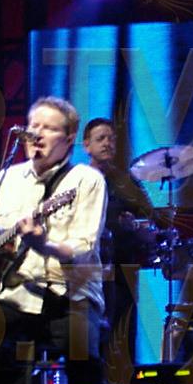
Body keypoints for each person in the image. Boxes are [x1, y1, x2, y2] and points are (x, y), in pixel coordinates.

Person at [0, 97, 107, 384]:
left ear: (69, 138)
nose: (37, 134)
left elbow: (83, 247)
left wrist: (43, 244)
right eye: (33, 126)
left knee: (82, 352)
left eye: (49, 128)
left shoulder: (86, 180)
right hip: (15, 296)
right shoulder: (6, 178)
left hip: (69, 295)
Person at [81, 118, 155, 357]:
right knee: (90, 335)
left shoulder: (127, 182)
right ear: (86, 145)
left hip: (124, 266)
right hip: (88, 268)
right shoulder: (77, 180)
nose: (107, 143)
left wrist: (136, 226)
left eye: (111, 139)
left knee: (124, 331)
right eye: (100, 139)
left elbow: (149, 218)